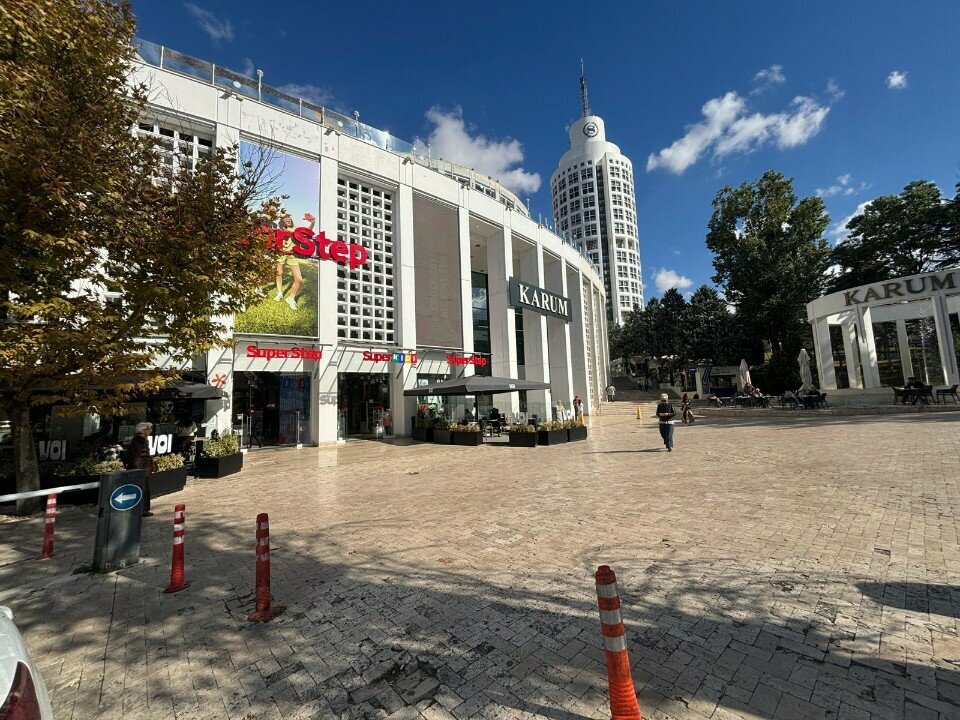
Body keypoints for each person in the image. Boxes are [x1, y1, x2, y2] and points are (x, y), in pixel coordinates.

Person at [273, 212, 315, 310]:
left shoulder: (296, 229)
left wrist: (312, 223)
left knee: (299, 278)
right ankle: (279, 293)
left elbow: (308, 231)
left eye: (288, 217)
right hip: (281, 254)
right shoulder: (280, 229)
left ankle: (291, 298)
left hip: (292, 255)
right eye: (284, 217)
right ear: (282, 220)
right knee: (279, 273)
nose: (287, 219)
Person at [125, 421, 155, 516]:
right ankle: (142, 509)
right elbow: (136, 457)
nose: (150, 431)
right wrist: (137, 470)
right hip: (141, 468)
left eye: (150, 429)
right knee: (143, 488)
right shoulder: (139, 441)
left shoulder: (143, 440)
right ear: (141, 431)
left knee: (144, 488)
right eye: (148, 429)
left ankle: (143, 509)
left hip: (143, 468)